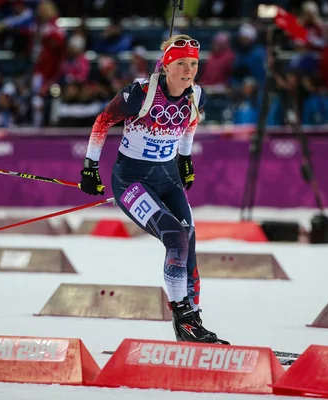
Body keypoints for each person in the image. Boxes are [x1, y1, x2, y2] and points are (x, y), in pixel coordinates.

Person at [79, 34, 229, 345]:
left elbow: (190, 125)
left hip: (168, 178)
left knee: (188, 242)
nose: (188, 71)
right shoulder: (141, 93)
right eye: (182, 64)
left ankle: (193, 322)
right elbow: (102, 121)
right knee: (174, 237)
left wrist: (184, 159)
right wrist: (90, 167)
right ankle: (182, 316)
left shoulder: (197, 95)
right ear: (167, 66)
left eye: (194, 64)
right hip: (131, 180)